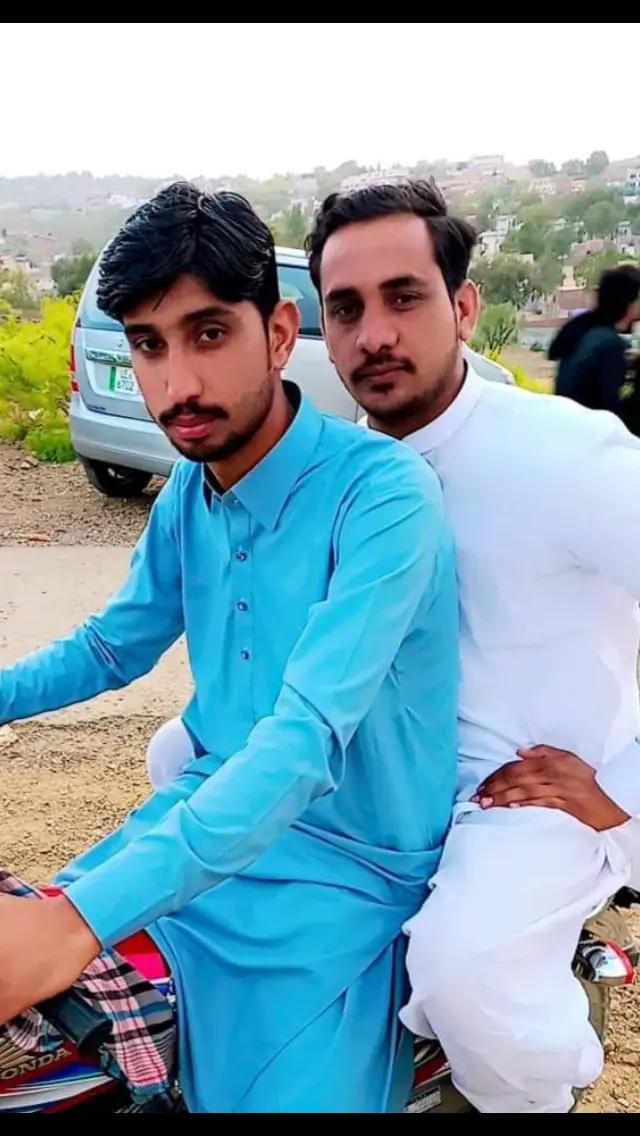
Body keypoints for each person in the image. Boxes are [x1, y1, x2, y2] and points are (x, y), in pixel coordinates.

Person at [0, 183, 460, 1114]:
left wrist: (80, 920)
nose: (177, 385)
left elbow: (302, 742)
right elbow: (110, 648)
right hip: (198, 827)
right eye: (148, 345)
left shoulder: (382, 496)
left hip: (344, 874)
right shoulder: (189, 489)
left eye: (208, 333)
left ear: (280, 332)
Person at [304, 179, 640, 1114]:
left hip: (529, 798)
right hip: (381, 779)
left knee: (463, 969)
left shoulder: (565, 455)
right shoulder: (335, 471)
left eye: (404, 297)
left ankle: (539, 1094)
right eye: (346, 308)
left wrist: (620, 793)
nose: (374, 334)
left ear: (462, 307)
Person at [549, 264, 640, 427]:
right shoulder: (610, 345)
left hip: (567, 425)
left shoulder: (583, 330)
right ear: (631, 304)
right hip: (589, 432)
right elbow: (610, 418)